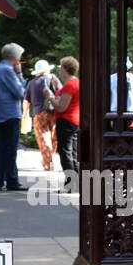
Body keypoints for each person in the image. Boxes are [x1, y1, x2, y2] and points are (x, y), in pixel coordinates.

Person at [0, 43, 28, 191]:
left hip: (2, 113)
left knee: (2, 148)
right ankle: (12, 181)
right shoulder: (8, 70)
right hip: (11, 114)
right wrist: (20, 75)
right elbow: (20, 92)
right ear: (16, 57)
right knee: (11, 149)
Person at [25, 59, 61, 171]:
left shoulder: (32, 83)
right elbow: (62, 91)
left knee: (43, 138)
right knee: (54, 137)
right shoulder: (54, 79)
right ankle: (48, 159)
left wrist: (24, 113)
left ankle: (48, 162)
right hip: (54, 111)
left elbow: (26, 100)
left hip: (39, 112)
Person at [53, 56, 81, 185]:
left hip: (66, 120)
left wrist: (49, 97)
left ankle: (70, 183)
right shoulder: (77, 82)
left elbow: (61, 107)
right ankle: (77, 182)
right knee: (73, 152)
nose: (60, 70)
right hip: (75, 120)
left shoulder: (69, 85)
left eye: (61, 68)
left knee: (65, 152)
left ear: (66, 69)